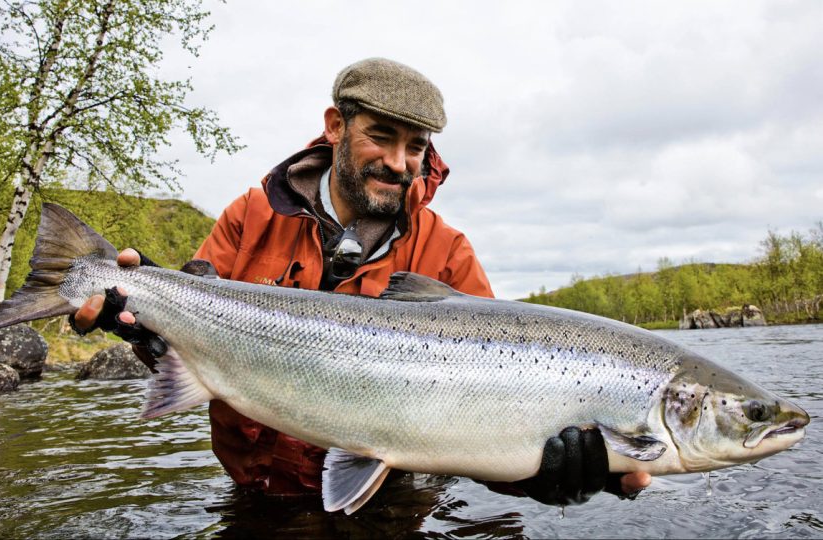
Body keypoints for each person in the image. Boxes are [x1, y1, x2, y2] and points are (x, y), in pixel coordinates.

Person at [72, 58, 650, 506]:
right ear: (336, 126)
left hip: (390, 503)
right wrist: (147, 327)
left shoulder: (447, 253)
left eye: (416, 147)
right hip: (258, 496)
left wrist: (541, 477)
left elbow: (486, 420)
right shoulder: (251, 215)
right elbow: (196, 346)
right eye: (382, 136)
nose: (400, 162)